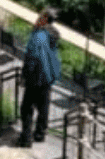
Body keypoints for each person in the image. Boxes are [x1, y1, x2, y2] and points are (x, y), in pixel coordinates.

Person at [19, 8, 62, 147]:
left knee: (26, 108)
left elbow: (31, 57)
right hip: (48, 77)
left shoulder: (39, 35)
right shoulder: (52, 35)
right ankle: (40, 134)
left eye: (40, 16)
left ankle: (26, 139)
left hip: (36, 77)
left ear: (44, 18)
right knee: (43, 107)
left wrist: (25, 76)